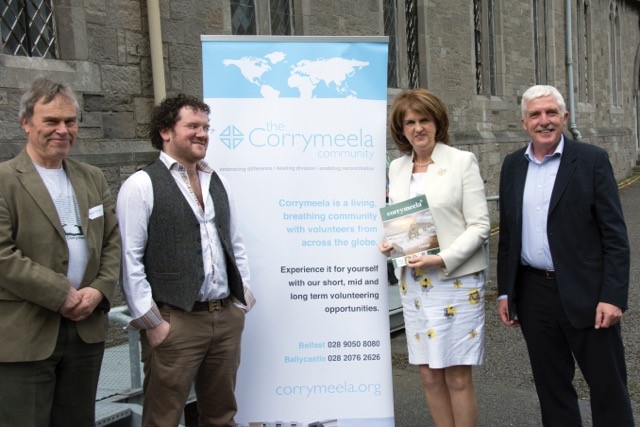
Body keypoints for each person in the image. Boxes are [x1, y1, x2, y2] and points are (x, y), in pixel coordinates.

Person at [497, 85, 634, 426]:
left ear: (565, 117)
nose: (544, 121)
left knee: (607, 388)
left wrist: (612, 296)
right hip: (533, 294)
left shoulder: (591, 160)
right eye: (535, 114)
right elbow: (509, 236)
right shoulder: (513, 166)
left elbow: (614, 236)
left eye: (551, 113)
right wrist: (506, 291)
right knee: (551, 387)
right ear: (524, 122)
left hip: (588, 294)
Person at [117, 94, 255, 426]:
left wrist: (242, 300)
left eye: (206, 127)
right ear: (166, 131)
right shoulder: (141, 185)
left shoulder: (216, 181)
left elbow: (234, 243)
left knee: (222, 415)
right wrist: (154, 323)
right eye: (192, 126)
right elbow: (129, 260)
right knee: (162, 418)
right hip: (175, 320)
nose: (202, 133)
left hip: (224, 317)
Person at [0, 78, 120, 426]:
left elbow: (112, 240)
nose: (62, 130)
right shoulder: (5, 180)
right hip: (25, 333)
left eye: (70, 121)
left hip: (85, 331)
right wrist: (61, 295)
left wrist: (98, 290)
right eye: (51, 121)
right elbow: (3, 255)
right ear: (26, 123)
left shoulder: (92, 177)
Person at [380, 88, 490, 426]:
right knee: (428, 375)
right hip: (415, 285)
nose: (417, 128)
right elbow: (402, 223)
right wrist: (389, 244)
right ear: (401, 129)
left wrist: (441, 258)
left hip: (456, 283)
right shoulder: (397, 168)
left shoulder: (460, 161)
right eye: (409, 122)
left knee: (456, 376)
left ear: (437, 122)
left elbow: (480, 225)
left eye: (423, 119)